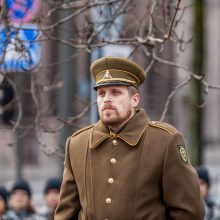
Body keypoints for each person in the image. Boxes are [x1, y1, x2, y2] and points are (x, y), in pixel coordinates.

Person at [55, 56, 205, 220]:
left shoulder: (165, 141)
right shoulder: (77, 144)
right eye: (101, 93)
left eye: (115, 92)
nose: (106, 99)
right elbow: (65, 214)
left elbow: (189, 213)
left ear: (135, 100)